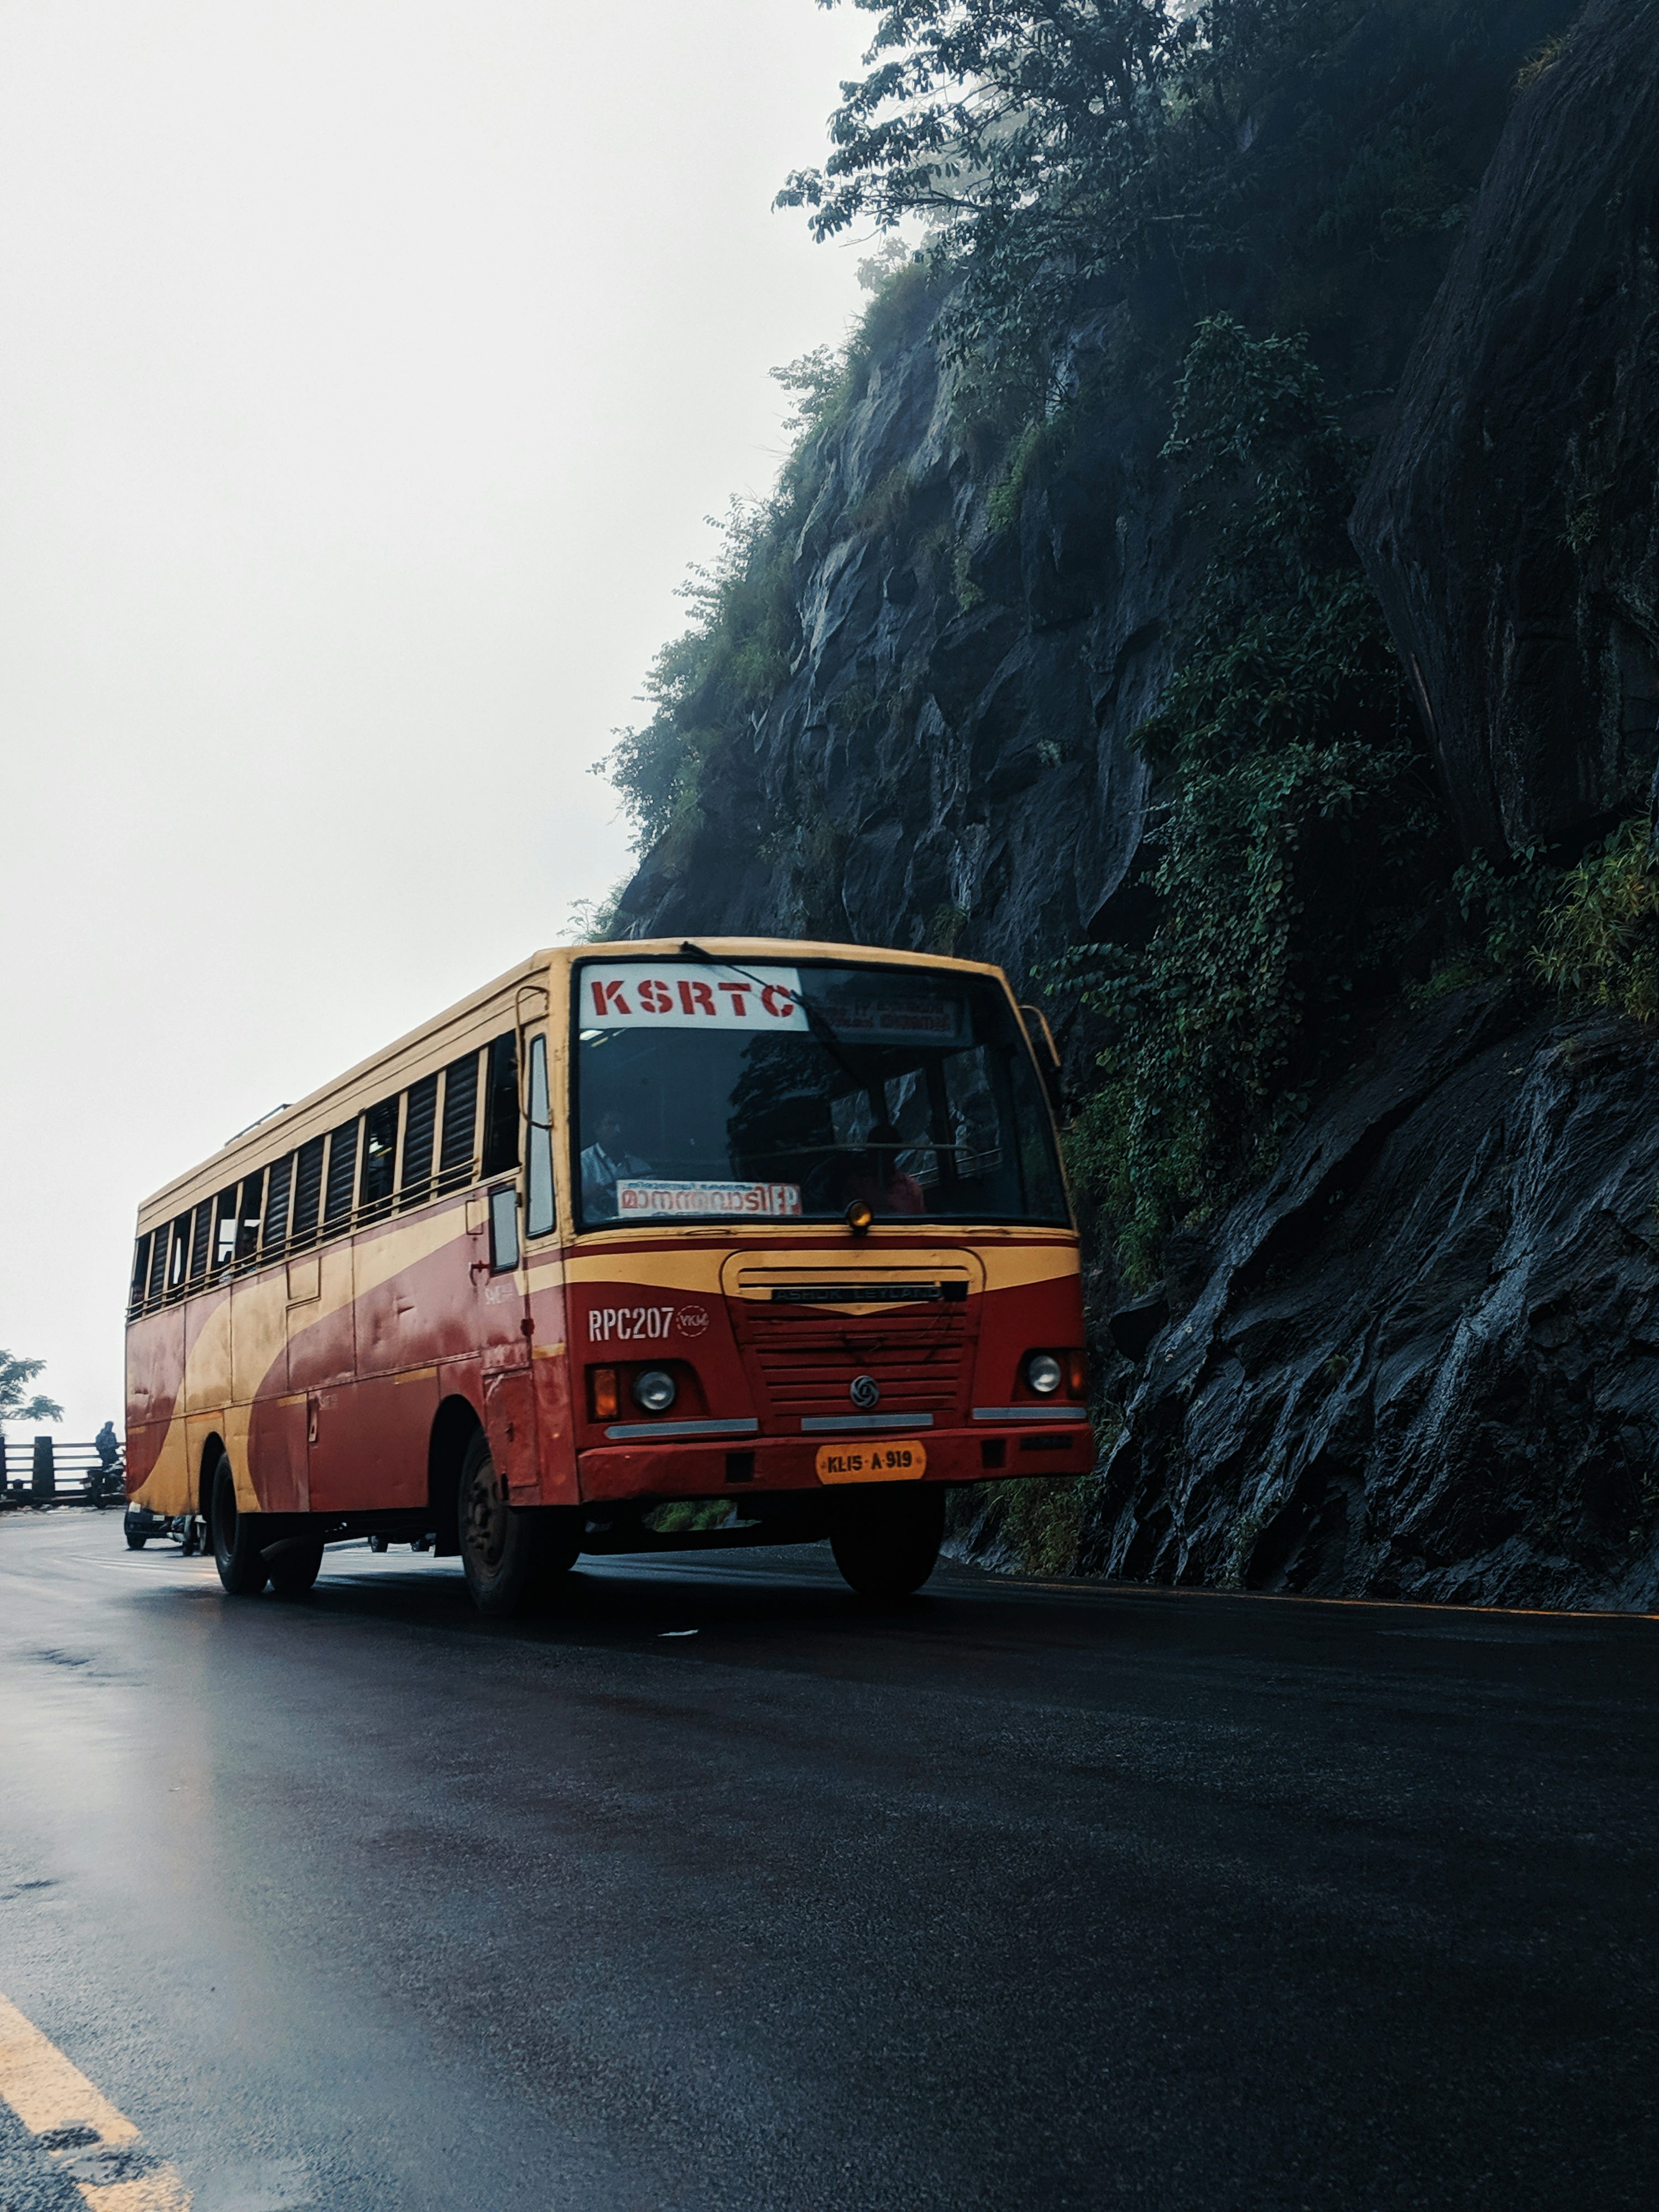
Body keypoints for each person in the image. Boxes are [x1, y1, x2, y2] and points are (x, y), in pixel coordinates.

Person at [580, 1107, 653, 1220]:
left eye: (622, 1125)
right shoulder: (582, 1163)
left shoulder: (641, 1167)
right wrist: (589, 1196)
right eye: (611, 1124)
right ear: (597, 1128)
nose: (618, 1130)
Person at [839, 1123, 925, 1216]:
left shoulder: (910, 1188)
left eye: (887, 1152)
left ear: (896, 1152)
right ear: (869, 1152)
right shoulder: (857, 1186)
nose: (882, 1157)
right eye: (876, 1152)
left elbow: (920, 1222)